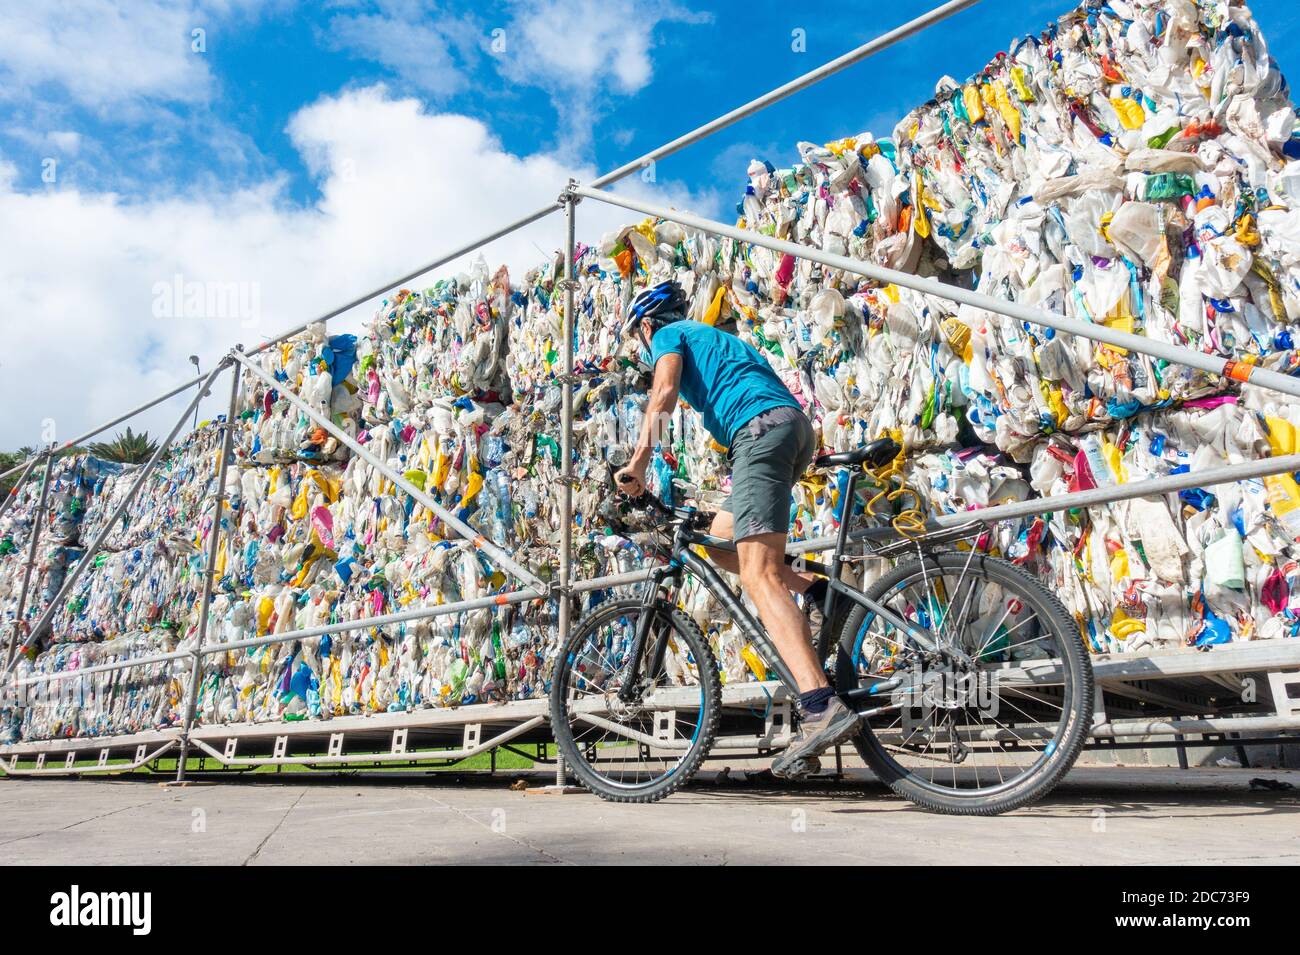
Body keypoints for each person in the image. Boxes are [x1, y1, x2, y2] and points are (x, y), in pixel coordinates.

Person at [613, 280, 860, 774]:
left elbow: (663, 392)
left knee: (757, 575)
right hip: (788, 428)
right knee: (722, 543)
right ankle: (816, 588)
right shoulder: (718, 341)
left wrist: (638, 463)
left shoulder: (669, 335)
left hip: (757, 433)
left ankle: (819, 706)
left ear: (645, 326)